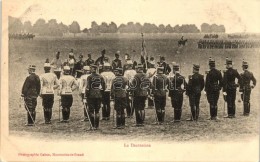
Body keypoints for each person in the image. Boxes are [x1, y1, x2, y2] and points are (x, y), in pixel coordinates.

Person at [85, 65, 106, 130]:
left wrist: (86, 95)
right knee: (97, 111)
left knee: (91, 111)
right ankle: (97, 126)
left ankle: (92, 126)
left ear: (94, 69)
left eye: (91, 68)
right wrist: (101, 93)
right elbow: (104, 87)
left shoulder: (89, 77)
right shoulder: (101, 76)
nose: (90, 70)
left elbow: (88, 87)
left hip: (91, 95)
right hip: (99, 95)